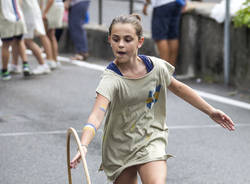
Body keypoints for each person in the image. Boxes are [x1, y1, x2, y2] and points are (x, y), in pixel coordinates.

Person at [69, 14, 235, 183]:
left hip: (151, 138)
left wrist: (210, 111)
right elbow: (97, 115)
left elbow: (179, 88)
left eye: (128, 39)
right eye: (116, 39)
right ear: (109, 40)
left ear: (140, 42)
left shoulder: (157, 68)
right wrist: (83, 144)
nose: (121, 44)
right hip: (119, 146)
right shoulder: (111, 79)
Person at [143, 0, 186, 67]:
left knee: (160, 37)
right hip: (177, 3)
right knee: (172, 36)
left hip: (162, 4)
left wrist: (146, 3)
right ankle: (171, 71)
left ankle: (164, 70)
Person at [0, 0, 31, 80]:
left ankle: (5, 71)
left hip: (6, 18)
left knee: (6, 45)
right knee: (20, 41)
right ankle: (25, 65)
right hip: (19, 17)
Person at [40, 0, 64, 68]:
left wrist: (44, 12)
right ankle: (54, 60)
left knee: (45, 35)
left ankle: (50, 60)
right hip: (57, 6)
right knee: (51, 35)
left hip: (52, 7)